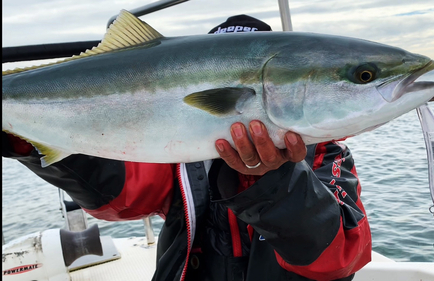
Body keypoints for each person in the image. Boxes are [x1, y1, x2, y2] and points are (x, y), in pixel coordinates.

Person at [2, 15, 371, 281]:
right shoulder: (179, 154)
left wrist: (277, 181)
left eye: (363, 77)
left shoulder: (324, 155)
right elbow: (120, 199)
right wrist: (23, 137)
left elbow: (338, 259)